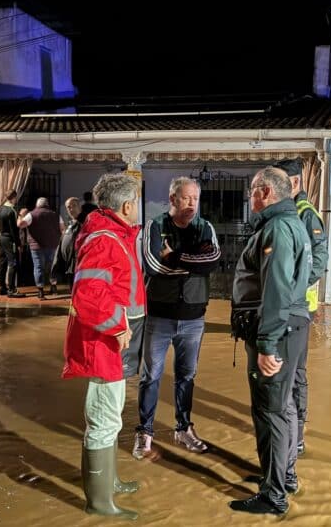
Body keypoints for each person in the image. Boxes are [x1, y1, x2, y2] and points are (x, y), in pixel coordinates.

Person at [229, 166, 312, 516]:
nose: (250, 197)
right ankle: (281, 476)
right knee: (284, 406)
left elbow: (276, 289)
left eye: (252, 190)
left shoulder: (277, 228)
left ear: (265, 192)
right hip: (289, 325)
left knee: (271, 410)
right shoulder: (290, 223)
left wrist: (267, 344)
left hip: (277, 328)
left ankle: (274, 494)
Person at [62, 173, 145, 520]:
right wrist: (117, 325)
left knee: (110, 415)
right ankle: (98, 502)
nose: (137, 208)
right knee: (103, 419)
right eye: (136, 202)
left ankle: (108, 482)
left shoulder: (109, 233)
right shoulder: (105, 238)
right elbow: (88, 295)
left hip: (112, 338)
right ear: (127, 206)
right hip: (105, 341)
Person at [132, 177, 221, 459]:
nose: (192, 203)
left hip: (194, 317)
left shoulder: (205, 227)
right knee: (151, 376)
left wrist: (177, 257)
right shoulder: (155, 226)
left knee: (187, 376)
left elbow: (214, 262)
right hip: (160, 315)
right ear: (172, 199)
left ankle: (183, 429)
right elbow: (154, 265)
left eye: (195, 198)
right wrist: (193, 261)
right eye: (186, 198)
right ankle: (144, 432)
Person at [272, 157, 328, 457]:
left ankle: (299, 431)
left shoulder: (306, 214)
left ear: (293, 183)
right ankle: (286, 423)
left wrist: (296, 286)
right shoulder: (287, 212)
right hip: (285, 307)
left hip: (299, 307)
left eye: (280, 182)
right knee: (284, 370)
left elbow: (320, 258)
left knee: (297, 372)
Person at [17, 197, 62, 300]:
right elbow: (62, 228)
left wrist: (20, 215)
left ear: (37, 205)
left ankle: (41, 291)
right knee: (52, 266)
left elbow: (20, 225)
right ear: (47, 204)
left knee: (38, 267)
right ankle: (53, 287)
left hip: (36, 246)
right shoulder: (55, 215)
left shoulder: (31, 214)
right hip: (52, 245)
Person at [0, 189, 24, 298]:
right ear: (14, 197)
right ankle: (12, 289)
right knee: (13, 263)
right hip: (9, 239)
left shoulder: (1, 209)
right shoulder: (11, 211)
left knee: (2, 263)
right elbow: (14, 230)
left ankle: (2, 287)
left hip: (1, 237)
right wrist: (18, 243)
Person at [59, 196, 82, 284]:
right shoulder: (70, 224)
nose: (71, 209)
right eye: (68, 207)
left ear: (79, 207)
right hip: (70, 265)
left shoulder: (86, 223)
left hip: (79, 265)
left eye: (74, 206)